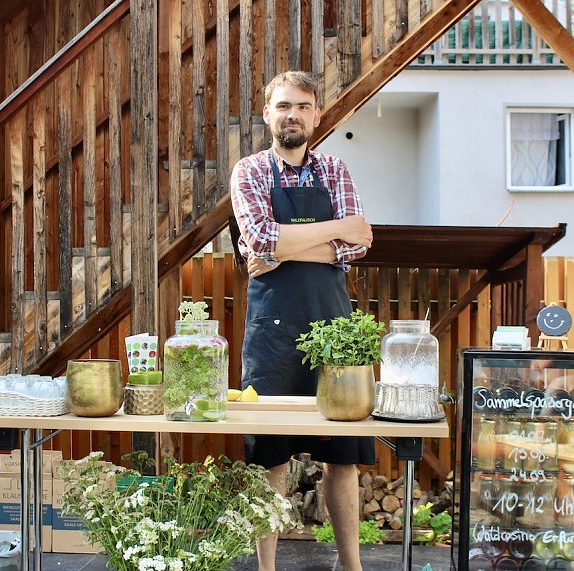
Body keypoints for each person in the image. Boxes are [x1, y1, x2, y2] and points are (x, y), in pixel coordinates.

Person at [230, 70, 374, 571]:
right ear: (268, 113)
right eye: (284, 105)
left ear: (317, 115)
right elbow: (258, 241)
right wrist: (328, 237)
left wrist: (284, 247)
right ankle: (266, 568)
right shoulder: (249, 171)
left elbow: (356, 245)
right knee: (269, 457)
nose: (293, 114)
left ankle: (351, 565)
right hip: (271, 332)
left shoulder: (335, 169)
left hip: (335, 328)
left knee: (344, 455)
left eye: (304, 106)